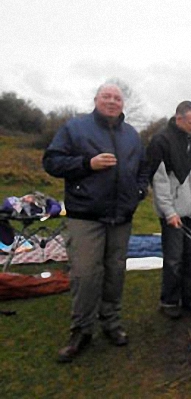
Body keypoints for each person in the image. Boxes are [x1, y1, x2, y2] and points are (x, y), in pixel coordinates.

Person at [43, 83, 149, 362]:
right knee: (86, 273)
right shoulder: (75, 128)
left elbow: (143, 169)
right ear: (96, 100)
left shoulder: (132, 135)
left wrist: (139, 192)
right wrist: (87, 164)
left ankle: (111, 323)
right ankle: (81, 330)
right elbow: (52, 162)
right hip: (86, 215)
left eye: (117, 98)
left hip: (121, 217)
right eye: (107, 97)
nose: (112, 101)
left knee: (115, 272)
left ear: (123, 104)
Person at [146, 101, 191, 319]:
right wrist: (169, 212)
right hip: (174, 212)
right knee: (174, 259)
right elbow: (159, 182)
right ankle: (169, 302)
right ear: (179, 118)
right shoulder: (161, 141)